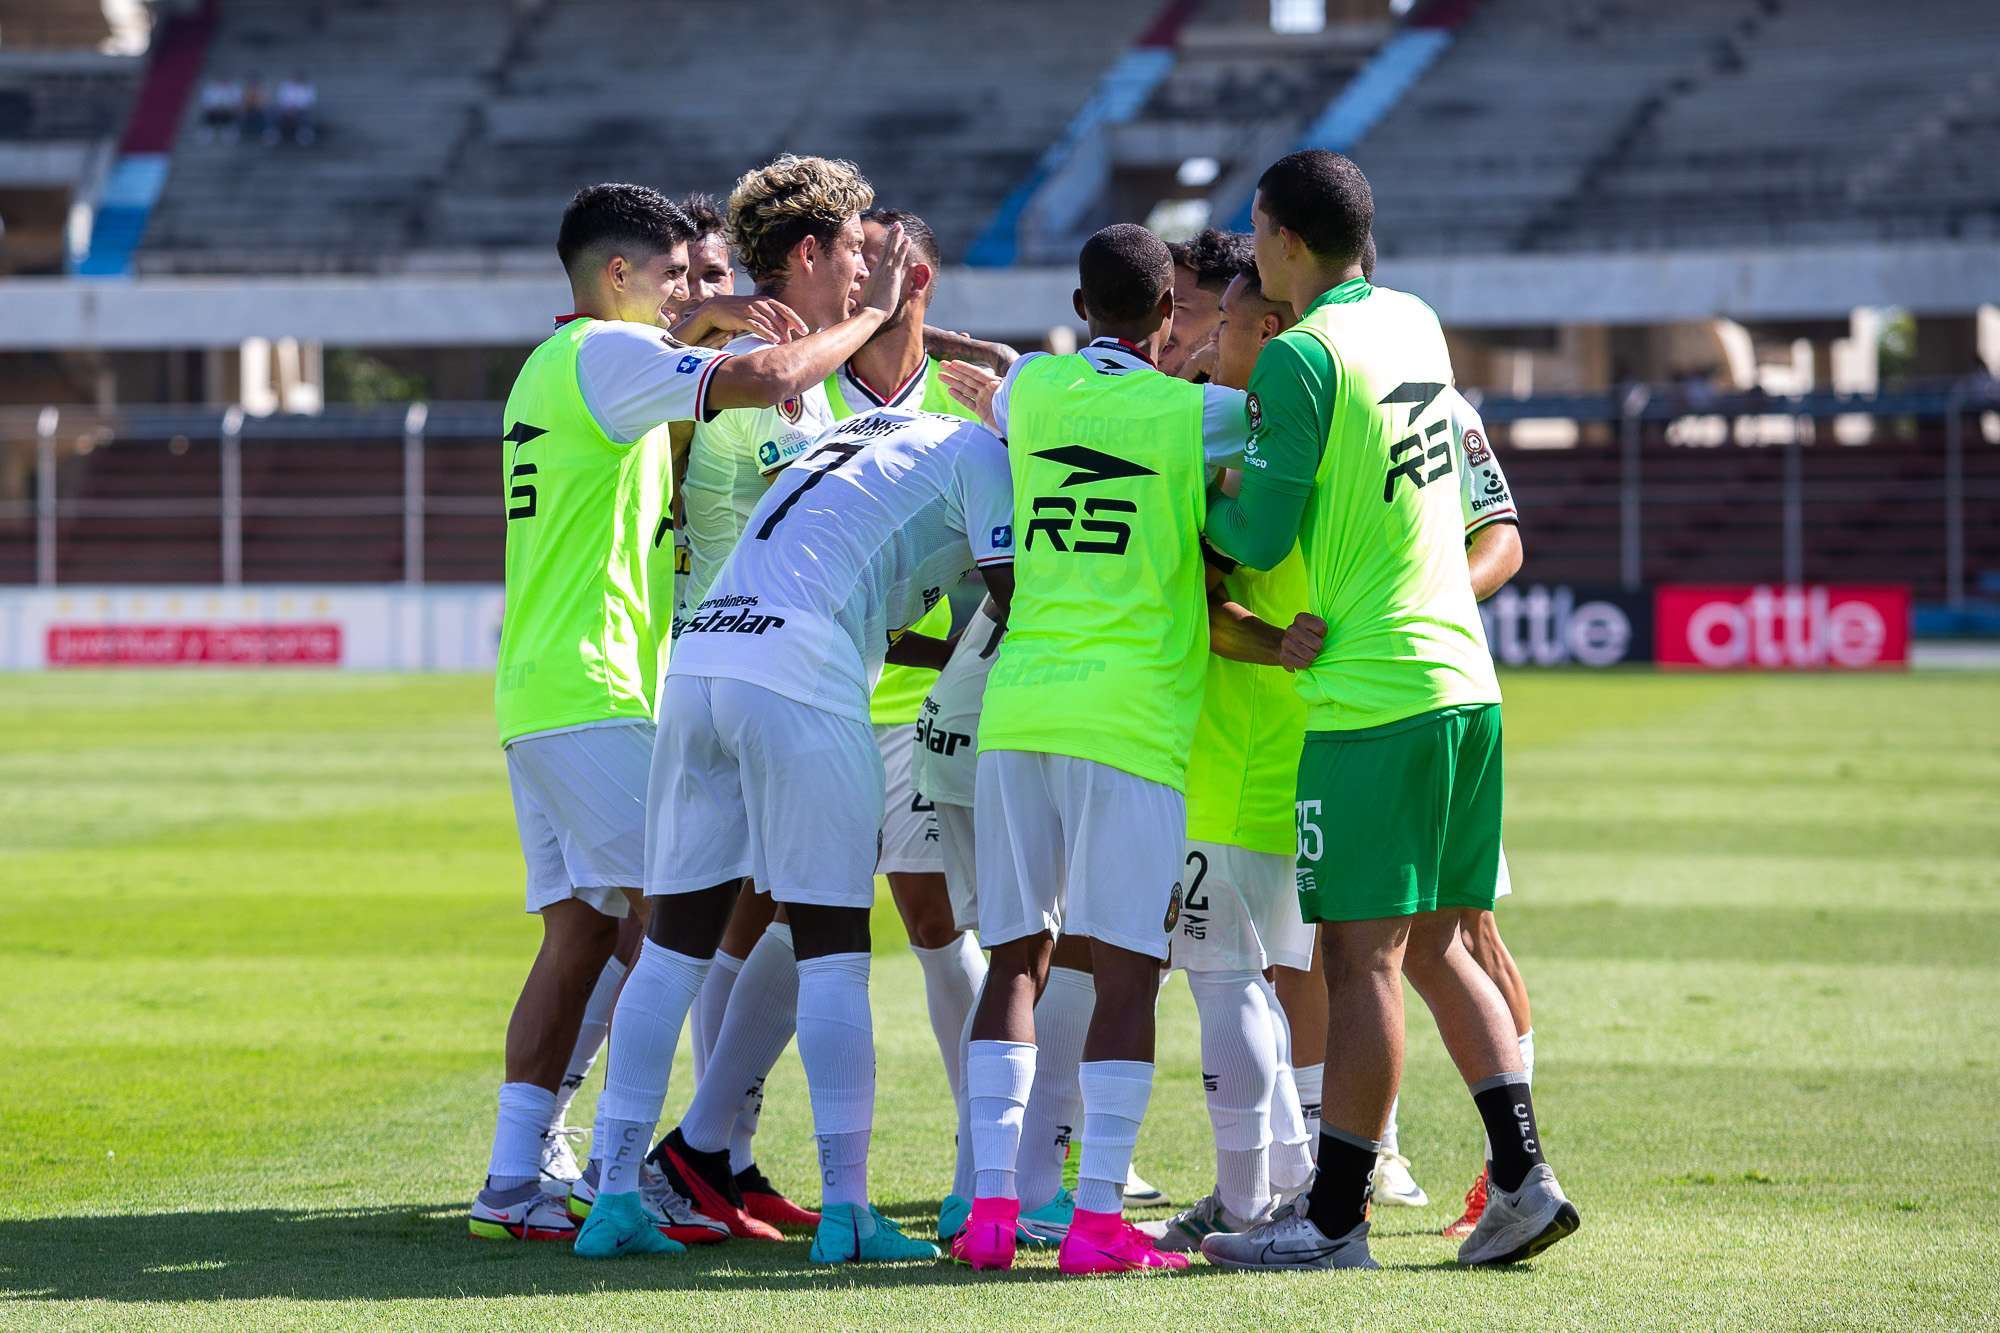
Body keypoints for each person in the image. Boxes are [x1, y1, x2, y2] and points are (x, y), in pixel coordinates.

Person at [468, 181, 912, 1246]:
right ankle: (655, 1169)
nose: (684, 293)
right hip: (599, 688)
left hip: (538, 693)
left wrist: (709, 318)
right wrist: (869, 314)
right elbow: (760, 379)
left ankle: (511, 1175)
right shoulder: (607, 357)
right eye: (672, 276)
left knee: (583, 935)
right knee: (684, 920)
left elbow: (704, 353)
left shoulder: (549, 363)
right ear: (615, 277)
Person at [1196, 149, 1577, 1271]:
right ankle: (1520, 1177)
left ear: (1280, 239)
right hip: (1463, 681)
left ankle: (1331, 1220)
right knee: (1443, 943)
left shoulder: (1297, 356)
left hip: (1368, 698)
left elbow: (1259, 539)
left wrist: (1195, 499)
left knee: (1357, 955)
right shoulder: (1412, 320)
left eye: (1256, 231)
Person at [939, 223, 1319, 1277]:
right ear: (1167, 314)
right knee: (1126, 972)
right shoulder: (1193, 413)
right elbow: (1278, 426)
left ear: (1078, 303)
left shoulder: (1038, 393)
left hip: (1018, 710)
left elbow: (1005, 389)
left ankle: (990, 1211)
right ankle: (1098, 1219)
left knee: (1014, 958)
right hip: (1131, 722)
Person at [573, 402, 1019, 1265]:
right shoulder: (985, 453)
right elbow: (1018, 597)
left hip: (703, 654)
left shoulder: (876, 429)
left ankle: (615, 1196)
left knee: (670, 949)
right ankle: (849, 1212)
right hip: (800, 669)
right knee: (832, 947)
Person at [1142, 241, 1320, 1251]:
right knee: (1255, 973)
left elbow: (1201, 611)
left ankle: (1247, 1202)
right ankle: (1289, 1182)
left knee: (1219, 973)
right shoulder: (1312, 434)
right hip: (1302, 739)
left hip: (1234, 745)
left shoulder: (1235, 454)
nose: (1205, 345)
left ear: (1267, 332)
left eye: (1223, 326)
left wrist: (1260, 640)